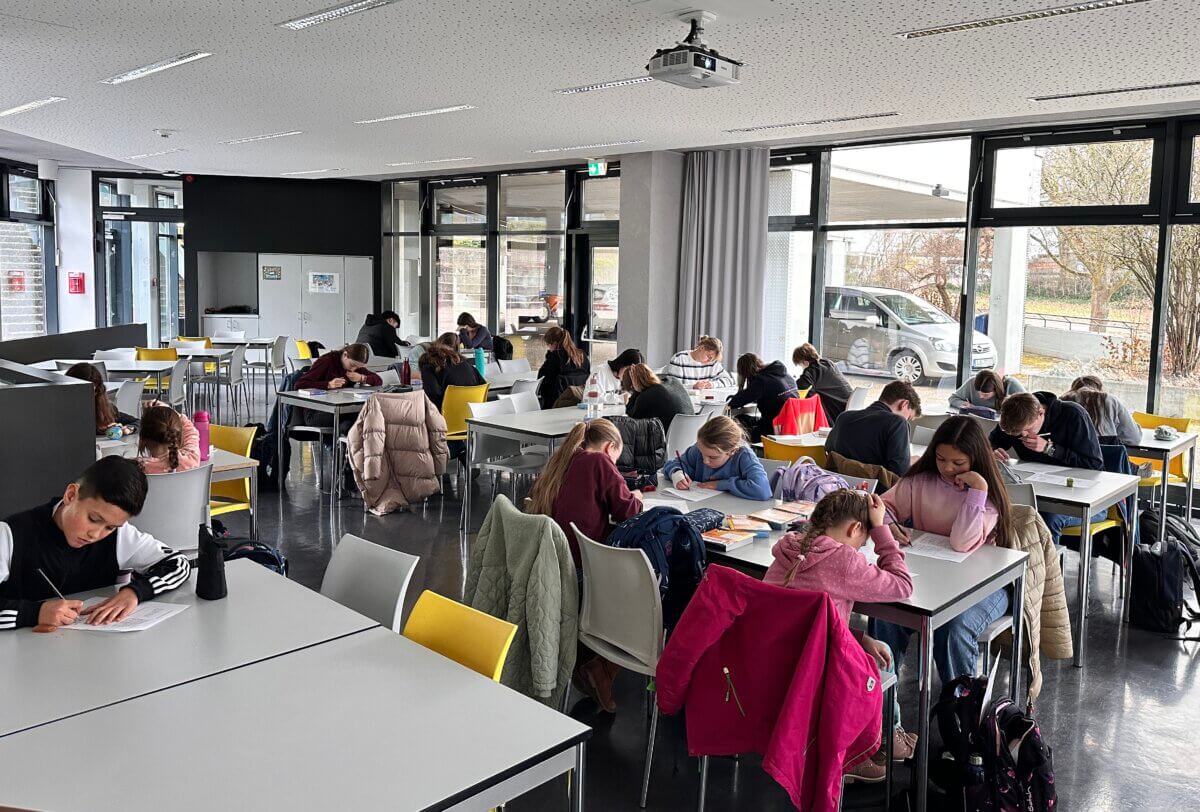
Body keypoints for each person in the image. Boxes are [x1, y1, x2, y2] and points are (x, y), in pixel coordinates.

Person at [764, 489, 917, 778]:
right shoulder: (845, 561)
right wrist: (881, 530)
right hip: (816, 671)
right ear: (855, 528)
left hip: (775, 663)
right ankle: (864, 748)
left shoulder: (788, 550)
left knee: (872, 646)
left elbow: (810, 621)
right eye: (864, 541)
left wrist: (859, 637)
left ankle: (873, 741)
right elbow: (902, 585)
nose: (860, 549)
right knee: (883, 657)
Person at [870, 416, 1012, 685]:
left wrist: (978, 490)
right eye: (940, 458)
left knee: (953, 627)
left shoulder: (987, 494)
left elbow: (962, 543)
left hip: (985, 586)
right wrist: (890, 524)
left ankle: (960, 703)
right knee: (886, 612)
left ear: (976, 459)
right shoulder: (921, 480)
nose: (947, 468)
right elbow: (883, 506)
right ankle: (883, 700)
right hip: (933, 579)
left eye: (958, 463)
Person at [528, 418, 643, 713]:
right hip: (580, 571)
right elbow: (629, 511)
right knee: (646, 591)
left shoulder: (563, 460)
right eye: (616, 460)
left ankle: (589, 662)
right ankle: (601, 666)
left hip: (552, 564)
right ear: (609, 448)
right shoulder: (599, 462)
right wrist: (637, 496)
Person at [0, 456, 191, 631]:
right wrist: (34, 613)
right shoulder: (10, 534)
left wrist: (135, 592)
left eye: (110, 527)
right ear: (71, 495)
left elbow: (179, 564)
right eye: (93, 519)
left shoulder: (120, 536)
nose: (96, 534)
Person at [989, 392, 1104, 543]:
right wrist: (992, 451)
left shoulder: (1073, 415)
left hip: (1082, 500)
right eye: (1018, 433)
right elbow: (991, 443)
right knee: (996, 508)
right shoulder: (1015, 416)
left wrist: (1050, 449)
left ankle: (1048, 559)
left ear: (1041, 413)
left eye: (1028, 430)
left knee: (1045, 518)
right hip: (1036, 490)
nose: (1023, 435)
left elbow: (1094, 465)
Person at [661, 415, 772, 500]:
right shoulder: (699, 449)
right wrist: (677, 474)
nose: (705, 461)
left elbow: (762, 490)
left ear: (732, 451)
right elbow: (671, 465)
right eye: (702, 454)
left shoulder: (744, 456)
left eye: (712, 457)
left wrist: (720, 484)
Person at [826, 381, 922, 477]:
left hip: (838, 482)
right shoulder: (897, 423)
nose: (906, 420)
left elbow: (828, 451)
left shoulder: (844, 417)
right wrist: (909, 461)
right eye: (909, 417)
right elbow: (900, 472)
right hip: (875, 486)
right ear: (904, 404)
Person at [294, 343, 383, 431]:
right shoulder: (327, 361)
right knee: (360, 414)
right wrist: (328, 384)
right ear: (345, 355)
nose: (353, 369)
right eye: (352, 365)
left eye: (357, 367)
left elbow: (378, 380)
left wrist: (362, 378)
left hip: (339, 409)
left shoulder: (355, 366)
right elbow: (300, 384)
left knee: (353, 421)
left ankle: (344, 436)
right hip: (316, 413)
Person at [729, 353, 799, 441]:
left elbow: (736, 401)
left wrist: (729, 399)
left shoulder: (761, 380)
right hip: (791, 425)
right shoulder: (783, 373)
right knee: (743, 418)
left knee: (736, 421)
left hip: (772, 430)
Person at [1061, 375, 1140, 445]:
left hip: (1069, 454)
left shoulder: (1062, 400)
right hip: (1107, 454)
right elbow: (1133, 439)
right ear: (1099, 388)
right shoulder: (1110, 400)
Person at [65, 362, 137, 436]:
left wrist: (128, 429)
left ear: (97, 391)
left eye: (92, 391)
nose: (85, 397)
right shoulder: (61, 410)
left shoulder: (105, 409)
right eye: (81, 391)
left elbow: (137, 421)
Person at [418, 332, 485, 412]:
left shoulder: (428, 363)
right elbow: (483, 385)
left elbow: (432, 393)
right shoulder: (466, 364)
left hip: (444, 415)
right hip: (472, 415)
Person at [621, 363, 695, 432]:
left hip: (668, 437)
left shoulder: (647, 395)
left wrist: (637, 392)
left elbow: (632, 418)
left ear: (633, 386)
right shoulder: (673, 380)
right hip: (692, 433)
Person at [793, 343, 854, 419]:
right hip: (849, 405)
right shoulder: (828, 363)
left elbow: (798, 389)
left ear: (805, 362)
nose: (802, 368)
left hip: (839, 411)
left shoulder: (811, 371)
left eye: (800, 365)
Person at [537, 326, 590, 409]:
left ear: (554, 344)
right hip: (579, 403)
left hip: (556, 405)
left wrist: (549, 356)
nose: (549, 348)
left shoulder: (555, 357)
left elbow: (541, 379)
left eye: (549, 345)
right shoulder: (582, 355)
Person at [137, 404, 200, 474]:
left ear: (143, 439)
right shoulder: (191, 459)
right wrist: (171, 412)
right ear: (178, 435)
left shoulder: (137, 468)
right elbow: (190, 431)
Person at [663, 335, 735, 390]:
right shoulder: (679, 358)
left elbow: (730, 380)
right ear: (702, 348)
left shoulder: (713, 363)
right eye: (709, 357)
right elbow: (673, 386)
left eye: (712, 359)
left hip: (706, 402)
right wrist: (693, 386)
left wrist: (713, 384)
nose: (709, 361)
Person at [948, 369, 1025, 413]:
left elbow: (1028, 408)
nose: (981, 397)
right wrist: (964, 405)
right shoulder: (971, 382)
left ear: (997, 390)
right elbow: (952, 398)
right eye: (978, 393)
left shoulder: (1011, 385)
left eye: (986, 394)